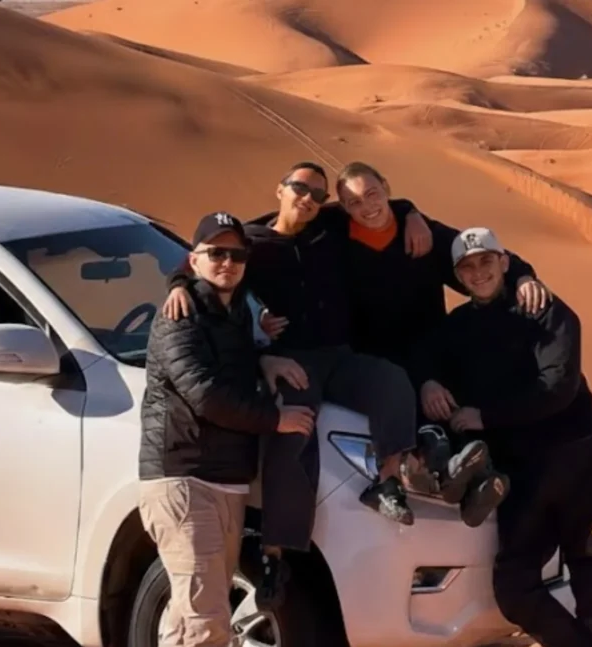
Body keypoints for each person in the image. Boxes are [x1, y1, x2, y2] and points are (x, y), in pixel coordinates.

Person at [162, 162, 438, 610]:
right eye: (300, 189)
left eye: (317, 193)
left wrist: (411, 212)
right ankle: (276, 550)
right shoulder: (251, 241)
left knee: (391, 381)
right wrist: (178, 284)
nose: (308, 198)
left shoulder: (328, 225)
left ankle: (387, 481)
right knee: (294, 430)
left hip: (340, 354)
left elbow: (380, 204)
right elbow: (200, 257)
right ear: (281, 190)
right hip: (295, 361)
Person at [413, 226, 592, 647]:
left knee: (591, 581)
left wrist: (486, 417)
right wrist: (428, 382)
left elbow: (557, 388)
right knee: (515, 589)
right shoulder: (456, 327)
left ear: (504, 262)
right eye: (467, 267)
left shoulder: (546, 310)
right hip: (523, 475)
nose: (479, 272)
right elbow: (423, 358)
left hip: (581, 459)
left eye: (487, 260)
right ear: (458, 276)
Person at [331, 161, 551, 526]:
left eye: (373, 193)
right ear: (343, 208)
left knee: (467, 397)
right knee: (418, 407)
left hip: (434, 352)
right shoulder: (338, 236)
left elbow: (477, 254)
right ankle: (453, 477)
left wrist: (524, 276)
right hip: (379, 360)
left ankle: (477, 478)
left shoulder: (422, 235)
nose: (366, 206)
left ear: (387, 187)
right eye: (353, 202)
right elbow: (284, 221)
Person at [138, 212, 317, 647]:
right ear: (193, 260)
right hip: (185, 478)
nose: (227, 262)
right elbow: (206, 394)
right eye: (216, 253)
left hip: (225, 481)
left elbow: (230, 364)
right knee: (207, 619)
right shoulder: (180, 316)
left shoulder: (236, 311)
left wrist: (263, 360)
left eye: (236, 254)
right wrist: (277, 420)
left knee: (187, 618)